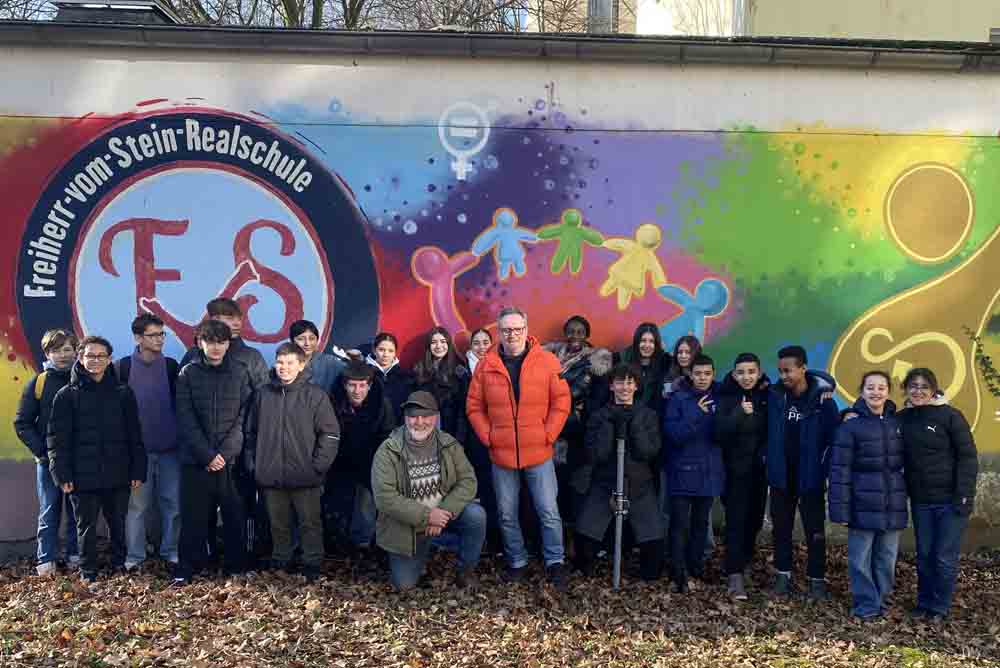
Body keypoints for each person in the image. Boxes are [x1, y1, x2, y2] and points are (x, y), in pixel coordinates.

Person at [466, 306, 572, 588]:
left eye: (517, 329)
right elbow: (474, 406)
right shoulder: (486, 365)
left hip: (539, 451)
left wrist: (547, 434)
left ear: (527, 330)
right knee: (506, 512)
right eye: (506, 330)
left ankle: (555, 561)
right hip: (501, 454)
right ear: (498, 332)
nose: (512, 334)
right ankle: (517, 560)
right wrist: (489, 436)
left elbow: (561, 402)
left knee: (548, 510)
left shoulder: (547, 361)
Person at [47, 336, 146, 584]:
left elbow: (135, 435)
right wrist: (62, 474)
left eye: (101, 356)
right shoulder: (66, 395)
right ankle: (88, 572)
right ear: (80, 358)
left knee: (118, 524)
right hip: (82, 475)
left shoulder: (123, 393)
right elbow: (56, 440)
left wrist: (137, 469)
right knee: (86, 527)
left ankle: (119, 567)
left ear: (109, 359)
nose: (95, 360)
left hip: (118, 471)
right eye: (90, 356)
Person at [245, 343, 340, 581]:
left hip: (305, 474)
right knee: (278, 522)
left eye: (289, 363)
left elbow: (330, 434)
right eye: (280, 362)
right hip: (271, 472)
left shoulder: (315, 395)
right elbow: (250, 432)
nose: (284, 368)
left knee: (309, 522)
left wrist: (317, 467)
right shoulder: (262, 394)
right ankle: (281, 559)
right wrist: (254, 464)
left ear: (301, 365)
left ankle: (311, 562)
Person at [372, 391, 485, 591]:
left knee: (476, 516)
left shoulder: (449, 444)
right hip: (407, 527)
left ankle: (466, 569)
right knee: (404, 585)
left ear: (436, 417)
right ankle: (427, 546)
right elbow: (384, 498)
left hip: (442, 515)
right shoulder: (388, 450)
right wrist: (427, 516)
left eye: (426, 416)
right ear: (406, 418)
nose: (420, 422)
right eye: (413, 416)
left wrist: (444, 511)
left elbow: (468, 480)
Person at [173, 320, 254, 585]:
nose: (216, 347)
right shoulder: (188, 373)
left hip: (231, 461)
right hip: (197, 460)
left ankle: (236, 566)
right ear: (200, 343)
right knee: (193, 516)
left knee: (234, 514)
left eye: (222, 342)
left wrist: (226, 452)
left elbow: (245, 415)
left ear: (228, 344)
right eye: (211, 342)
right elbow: (185, 418)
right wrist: (207, 455)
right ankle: (188, 567)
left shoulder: (241, 372)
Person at [897, 368, 978, 621]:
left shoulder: (951, 416)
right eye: (913, 386)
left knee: (944, 557)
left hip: (951, 502)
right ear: (906, 390)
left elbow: (967, 457)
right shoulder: (902, 418)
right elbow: (874, 415)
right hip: (921, 501)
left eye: (923, 386)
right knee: (924, 555)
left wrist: (964, 495)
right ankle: (924, 602)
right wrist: (849, 412)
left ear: (933, 389)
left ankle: (939, 607)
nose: (918, 391)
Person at [829, 371, 907, 620]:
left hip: (892, 503)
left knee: (886, 558)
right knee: (860, 560)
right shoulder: (850, 426)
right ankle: (866, 605)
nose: (876, 392)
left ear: (888, 391)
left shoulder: (897, 423)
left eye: (881, 387)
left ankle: (882, 599)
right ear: (861, 392)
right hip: (861, 503)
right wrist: (839, 509)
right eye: (870, 387)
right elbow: (839, 470)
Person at [575, 363, 664, 581]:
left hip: (639, 484)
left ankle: (647, 574)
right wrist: (610, 427)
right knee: (585, 538)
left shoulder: (647, 415)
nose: (624, 387)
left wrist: (633, 427)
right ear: (612, 386)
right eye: (619, 382)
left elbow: (650, 451)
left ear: (636, 386)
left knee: (653, 542)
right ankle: (586, 570)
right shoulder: (599, 415)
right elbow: (595, 454)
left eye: (629, 382)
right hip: (605, 483)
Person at [767, 345, 840, 600]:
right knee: (781, 529)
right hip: (781, 476)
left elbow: (834, 439)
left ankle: (816, 579)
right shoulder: (775, 397)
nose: (783, 376)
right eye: (780, 371)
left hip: (810, 477)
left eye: (788, 371)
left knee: (814, 530)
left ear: (803, 369)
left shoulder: (824, 402)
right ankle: (782, 575)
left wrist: (823, 466)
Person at [117, 314, 181, 574]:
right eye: (154, 335)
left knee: (173, 504)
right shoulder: (122, 368)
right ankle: (135, 555)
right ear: (138, 338)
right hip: (137, 454)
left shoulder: (171, 366)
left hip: (170, 449)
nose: (159, 340)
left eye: (162, 334)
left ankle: (171, 551)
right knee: (137, 507)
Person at [14, 329, 80, 576]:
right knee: (50, 510)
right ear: (47, 353)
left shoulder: (81, 380)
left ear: (75, 351)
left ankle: (75, 555)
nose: (62, 355)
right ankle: (46, 560)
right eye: (56, 350)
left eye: (67, 349)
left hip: (77, 461)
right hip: (48, 462)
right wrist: (43, 452)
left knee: (77, 511)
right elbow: (22, 422)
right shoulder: (39, 382)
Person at [543, 316, 613, 531]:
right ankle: (555, 535)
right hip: (552, 432)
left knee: (577, 488)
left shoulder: (595, 362)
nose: (575, 336)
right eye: (571, 331)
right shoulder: (550, 357)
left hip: (577, 434)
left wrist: (576, 409)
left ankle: (575, 537)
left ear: (587, 335)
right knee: (554, 487)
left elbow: (598, 399)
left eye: (580, 332)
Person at [663, 354, 723, 593]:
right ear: (690, 374)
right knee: (679, 523)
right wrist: (696, 414)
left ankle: (695, 566)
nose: (702, 378)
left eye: (707, 374)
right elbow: (674, 433)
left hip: (709, 471)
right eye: (698, 373)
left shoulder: (720, 395)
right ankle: (677, 570)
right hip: (682, 470)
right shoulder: (678, 398)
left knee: (701, 522)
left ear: (713, 374)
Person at [714, 352, 769, 600]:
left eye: (751, 372)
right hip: (734, 472)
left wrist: (825, 392)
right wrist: (738, 413)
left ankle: (744, 561)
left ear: (759, 373)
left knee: (754, 521)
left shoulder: (769, 395)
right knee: (735, 521)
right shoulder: (726, 396)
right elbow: (717, 433)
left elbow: (808, 384)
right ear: (734, 374)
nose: (746, 377)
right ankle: (734, 574)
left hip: (760, 472)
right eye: (741, 372)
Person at [328, 360, 395, 554]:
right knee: (338, 502)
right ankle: (338, 543)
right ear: (344, 385)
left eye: (362, 385)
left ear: (370, 385)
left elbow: (387, 436)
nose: (357, 391)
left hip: (371, 460)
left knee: (366, 504)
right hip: (339, 461)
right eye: (352, 385)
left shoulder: (381, 404)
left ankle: (363, 544)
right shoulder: (333, 402)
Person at [180, 298, 269, 390]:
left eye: (239, 319)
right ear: (214, 319)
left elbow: (264, 395)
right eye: (230, 318)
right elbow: (180, 391)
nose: (237, 323)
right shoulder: (194, 354)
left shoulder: (252, 357)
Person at [413, 326, 471, 442]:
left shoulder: (459, 370)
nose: (439, 346)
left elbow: (463, 408)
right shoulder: (419, 369)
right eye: (434, 342)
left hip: (452, 433)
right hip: (425, 433)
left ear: (449, 344)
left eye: (443, 342)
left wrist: (460, 438)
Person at [617, 323, 671, 414]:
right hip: (626, 416)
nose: (647, 345)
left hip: (653, 418)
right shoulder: (623, 360)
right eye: (643, 340)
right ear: (636, 342)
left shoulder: (665, 363)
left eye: (651, 341)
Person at [365, 332, 415, 425]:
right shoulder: (363, 373)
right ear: (374, 350)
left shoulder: (406, 377)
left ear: (395, 353)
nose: (385, 355)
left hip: (397, 431)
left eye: (390, 351)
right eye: (381, 350)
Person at [289, 319, 350, 395]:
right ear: (292, 341)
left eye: (311, 338)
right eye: (301, 339)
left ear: (317, 340)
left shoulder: (329, 362)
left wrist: (356, 360)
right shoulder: (286, 364)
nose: (307, 343)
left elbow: (355, 374)